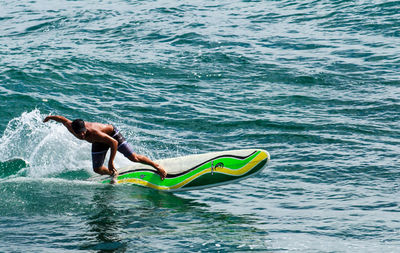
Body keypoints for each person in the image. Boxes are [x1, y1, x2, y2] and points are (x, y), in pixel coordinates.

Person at [43, 115, 167, 183]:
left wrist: (110, 162)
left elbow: (113, 143)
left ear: (85, 128)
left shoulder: (94, 132)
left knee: (133, 157)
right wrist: (49, 118)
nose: (81, 135)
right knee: (97, 169)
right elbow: (61, 119)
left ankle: (157, 166)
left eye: (83, 132)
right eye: (79, 133)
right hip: (99, 142)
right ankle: (114, 174)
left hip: (112, 136)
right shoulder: (70, 126)